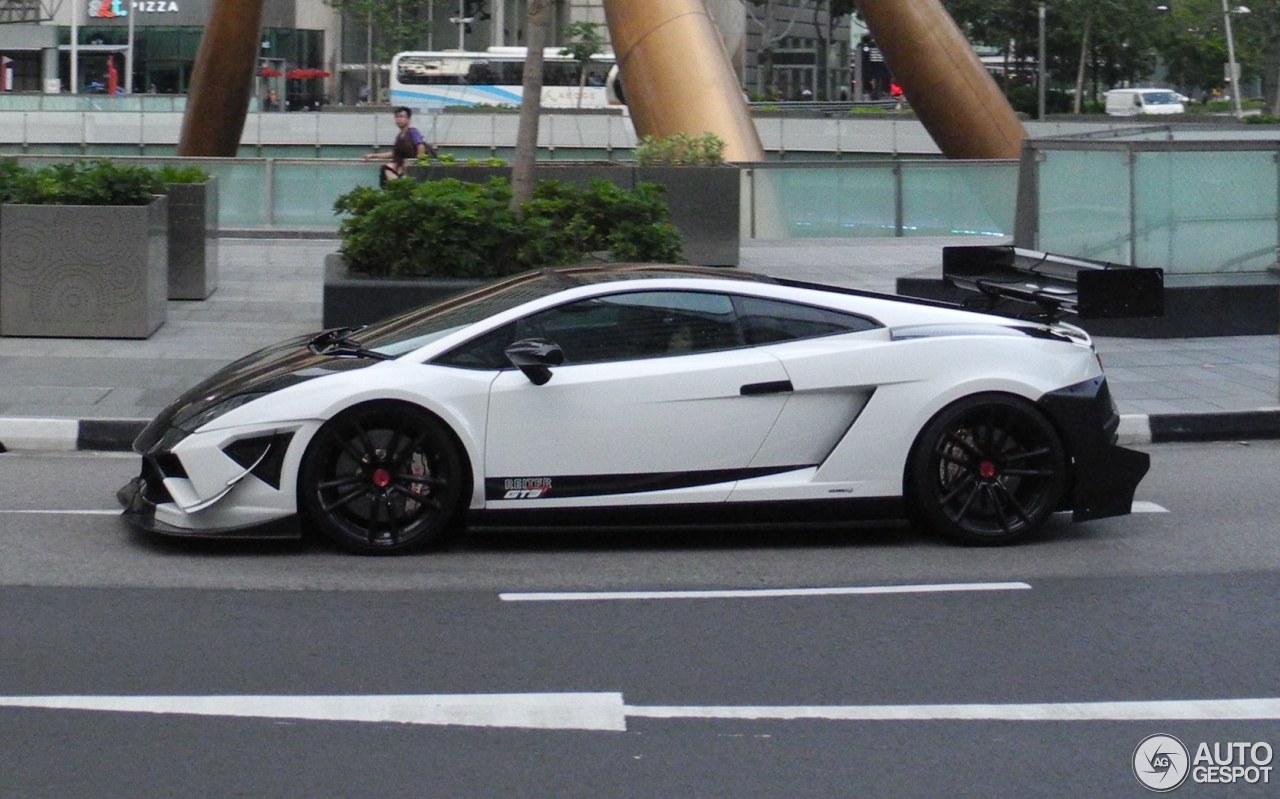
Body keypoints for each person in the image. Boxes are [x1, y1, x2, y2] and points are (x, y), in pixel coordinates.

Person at [363, 106, 436, 185]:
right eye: (397, 117)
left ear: (408, 119)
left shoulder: (412, 132)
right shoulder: (400, 136)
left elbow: (420, 145)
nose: (398, 119)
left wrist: (418, 163)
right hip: (403, 166)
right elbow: (395, 153)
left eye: (401, 117)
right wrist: (374, 156)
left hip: (411, 167)